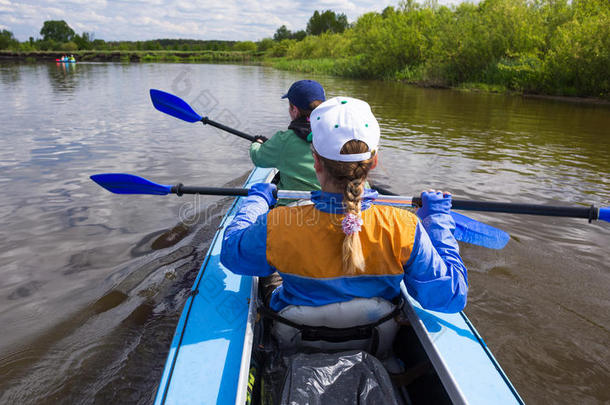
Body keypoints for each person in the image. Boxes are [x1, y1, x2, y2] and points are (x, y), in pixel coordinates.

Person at [221, 96, 468, 316]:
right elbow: (451, 298)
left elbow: (231, 255)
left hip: (295, 338)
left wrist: (256, 201)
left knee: (269, 281)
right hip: (377, 341)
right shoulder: (405, 227)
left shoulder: (279, 223)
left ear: (316, 161)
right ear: (374, 162)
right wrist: (436, 221)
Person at [249, 79, 325, 193]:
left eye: (290, 107)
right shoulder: (335, 134)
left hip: (291, 206)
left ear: (294, 109)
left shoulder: (283, 139)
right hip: (327, 203)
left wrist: (257, 143)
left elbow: (258, 158)